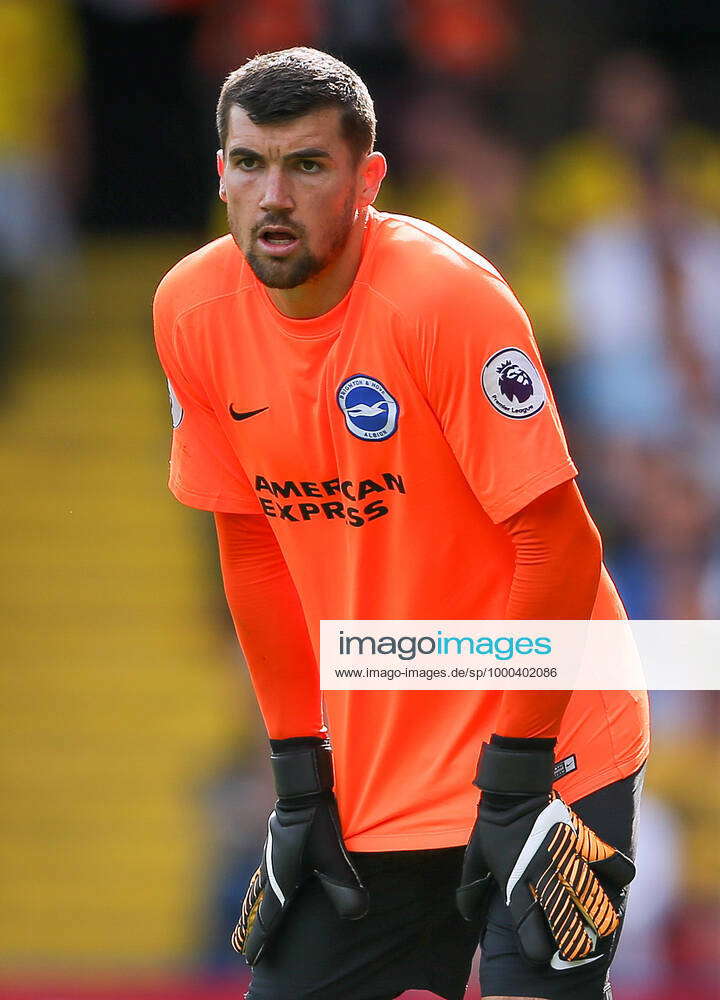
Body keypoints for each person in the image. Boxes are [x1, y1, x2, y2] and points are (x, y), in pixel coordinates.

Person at [153, 47, 649, 1000]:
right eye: (249, 162)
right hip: (375, 777)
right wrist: (299, 780)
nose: (273, 195)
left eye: (308, 164)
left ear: (367, 179)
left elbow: (563, 542)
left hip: (549, 744)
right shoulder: (191, 311)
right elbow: (253, 547)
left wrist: (514, 778)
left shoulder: (443, 299)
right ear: (220, 171)